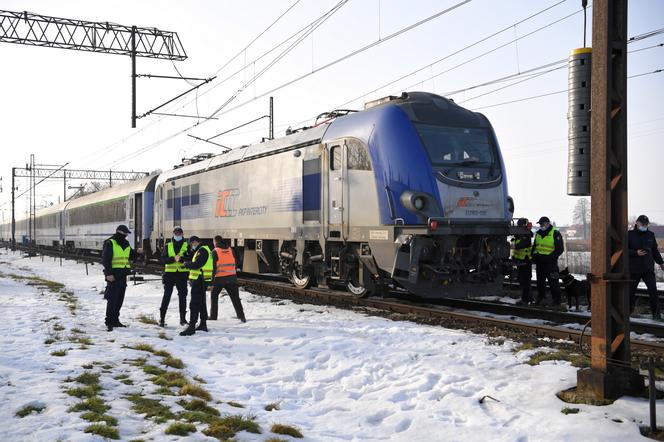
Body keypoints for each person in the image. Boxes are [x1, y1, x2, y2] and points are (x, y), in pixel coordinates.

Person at [102, 225, 141, 331]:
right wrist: (108, 274)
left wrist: (138, 253)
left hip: (122, 275)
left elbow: (130, 255)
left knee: (119, 299)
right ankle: (109, 321)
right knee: (112, 299)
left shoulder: (126, 244)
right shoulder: (110, 243)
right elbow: (106, 260)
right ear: (120, 232)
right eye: (125, 233)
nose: (126, 235)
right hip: (113, 276)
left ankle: (115, 320)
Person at [628, 215, 664, 319]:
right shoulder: (629, 235)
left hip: (648, 268)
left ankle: (656, 314)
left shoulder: (650, 235)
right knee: (630, 292)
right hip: (634, 269)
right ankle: (629, 312)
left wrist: (661, 263)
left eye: (646, 224)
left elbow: (655, 251)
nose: (644, 226)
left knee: (653, 291)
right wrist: (635, 253)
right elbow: (623, 250)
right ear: (637, 223)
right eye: (642, 224)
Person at [180, 236, 213, 336]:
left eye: (192, 244)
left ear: (195, 242)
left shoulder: (202, 251)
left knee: (194, 303)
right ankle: (203, 324)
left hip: (199, 279)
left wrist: (186, 264)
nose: (191, 246)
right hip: (202, 279)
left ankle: (191, 327)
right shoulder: (204, 249)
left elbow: (197, 264)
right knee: (202, 303)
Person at [208, 235, 246, 323]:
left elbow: (213, 267)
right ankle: (241, 316)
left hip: (219, 278)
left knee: (214, 296)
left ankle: (213, 316)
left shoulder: (215, 251)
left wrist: (211, 281)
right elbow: (236, 262)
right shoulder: (230, 250)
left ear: (215, 242)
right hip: (232, 277)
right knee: (235, 298)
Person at [159, 226, 189, 327]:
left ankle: (183, 319)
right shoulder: (168, 245)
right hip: (169, 275)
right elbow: (162, 260)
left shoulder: (186, 245)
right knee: (166, 296)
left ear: (182, 234)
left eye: (179, 234)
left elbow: (190, 258)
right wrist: (172, 259)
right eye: (176, 234)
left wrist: (181, 259)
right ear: (173, 234)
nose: (178, 235)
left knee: (183, 297)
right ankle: (162, 319)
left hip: (182, 274)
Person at [531, 216, 564, 306]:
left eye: (542, 224)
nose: (541, 226)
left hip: (551, 263)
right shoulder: (538, 233)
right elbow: (535, 246)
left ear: (547, 223)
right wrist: (533, 256)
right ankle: (541, 298)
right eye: (540, 224)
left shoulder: (555, 233)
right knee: (540, 283)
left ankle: (556, 301)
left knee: (554, 283)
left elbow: (560, 249)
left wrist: (550, 257)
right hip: (540, 263)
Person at [511, 218, 533, 305]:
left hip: (526, 260)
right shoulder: (521, 235)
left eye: (519, 225)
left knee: (525, 280)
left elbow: (520, 245)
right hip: (521, 260)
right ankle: (529, 298)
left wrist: (517, 237)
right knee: (522, 280)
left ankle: (526, 300)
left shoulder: (525, 235)